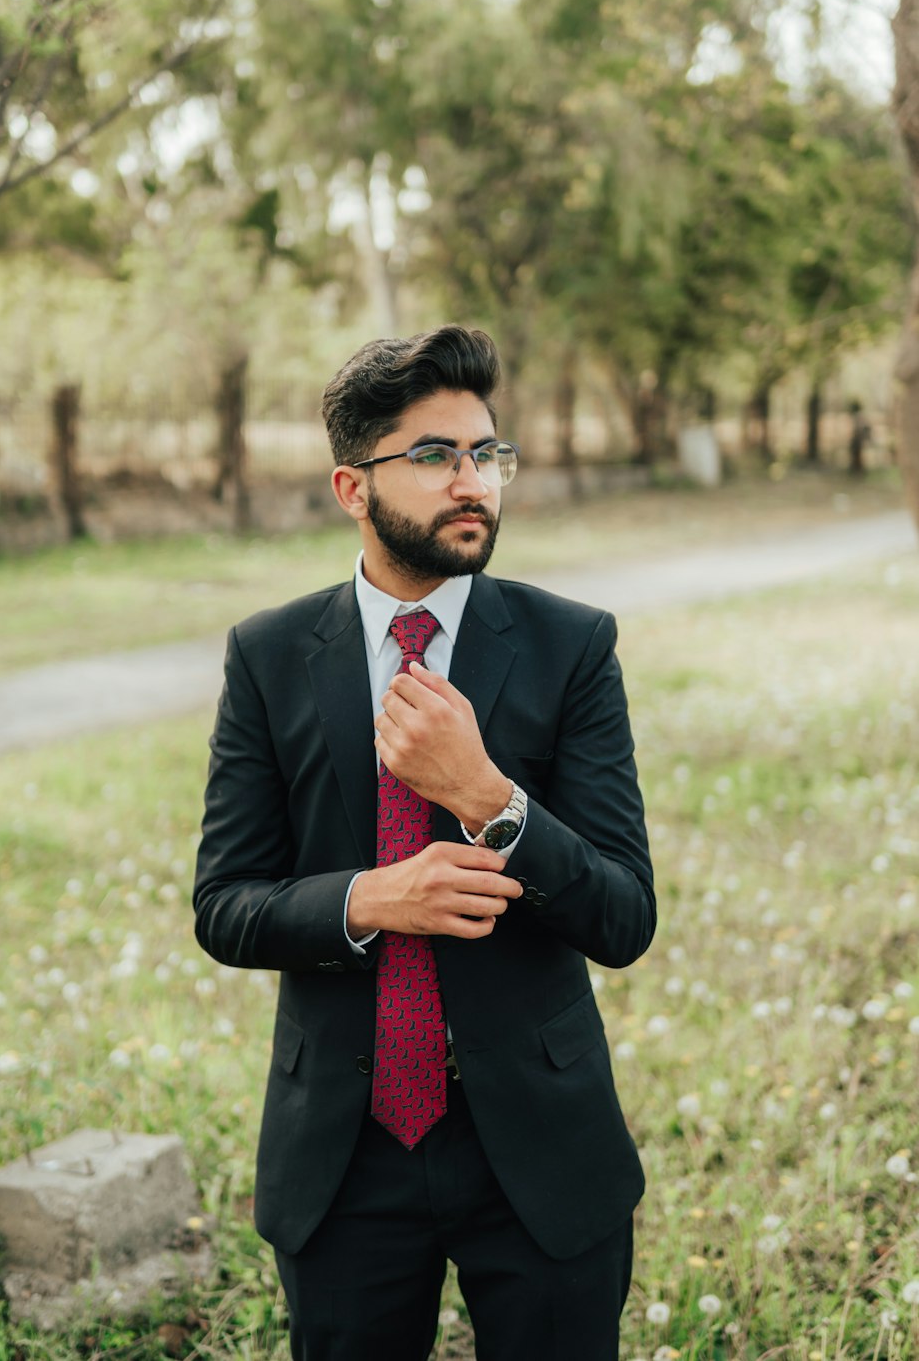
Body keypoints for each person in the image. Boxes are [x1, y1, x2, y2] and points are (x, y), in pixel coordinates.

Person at [193, 324, 655, 1361]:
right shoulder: (267, 658)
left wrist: (491, 798)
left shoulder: (570, 645)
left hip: (539, 1143)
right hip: (343, 1154)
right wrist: (368, 900)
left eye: (488, 454)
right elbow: (224, 904)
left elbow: (624, 917)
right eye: (437, 456)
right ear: (352, 489)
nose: (474, 483)